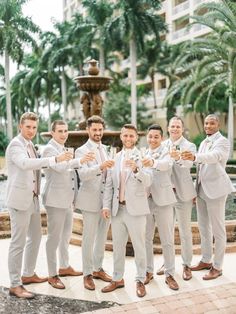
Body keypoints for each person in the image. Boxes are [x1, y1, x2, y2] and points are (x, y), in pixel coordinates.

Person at [6, 112, 71, 299]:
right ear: (20, 126)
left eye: (34, 127)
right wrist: (54, 160)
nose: (32, 131)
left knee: (35, 237)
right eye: (28, 127)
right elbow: (25, 164)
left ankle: (28, 273)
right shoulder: (16, 145)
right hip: (19, 201)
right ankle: (15, 284)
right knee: (18, 243)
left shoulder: (31, 146)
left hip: (32, 200)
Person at [182, 114, 235, 280]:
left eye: (212, 123)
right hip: (201, 190)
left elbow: (214, 158)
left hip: (217, 190)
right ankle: (206, 260)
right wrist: (194, 191)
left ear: (218, 124)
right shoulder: (204, 142)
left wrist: (195, 157)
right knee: (203, 227)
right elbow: (200, 169)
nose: (208, 126)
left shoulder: (223, 142)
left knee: (218, 230)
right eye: (206, 123)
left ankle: (217, 267)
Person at [42, 120, 94, 289]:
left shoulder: (63, 148)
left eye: (65, 131)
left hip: (67, 200)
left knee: (65, 237)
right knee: (53, 239)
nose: (64, 134)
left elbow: (70, 176)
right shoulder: (49, 149)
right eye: (60, 131)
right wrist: (80, 161)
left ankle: (64, 266)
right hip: (55, 201)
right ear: (52, 132)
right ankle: (52, 274)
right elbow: (61, 168)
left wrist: (73, 198)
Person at [101, 124, 152, 298]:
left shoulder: (144, 156)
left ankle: (140, 279)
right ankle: (117, 278)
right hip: (117, 210)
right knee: (117, 246)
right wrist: (106, 205)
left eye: (132, 136)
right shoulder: (115, 157)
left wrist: (137, 170)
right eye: (126, 136)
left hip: (136, 210)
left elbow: (148, 181)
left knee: (139, 246)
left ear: (136, 137)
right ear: (121, 137)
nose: (128, 139)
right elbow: (109, 184)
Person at [75, 115, 114, 290]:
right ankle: (87, 274)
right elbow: (82, 175)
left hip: (105, 202)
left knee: (101, 237)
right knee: (88, 238)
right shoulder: (81, 151)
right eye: (94, 130)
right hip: (90, 200)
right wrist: (101, 167)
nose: (98, 133)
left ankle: (98, 269)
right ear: (88, 130)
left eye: (100, 130)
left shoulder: (106, 149)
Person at [158, 116, 196, 281]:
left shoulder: (190, 146)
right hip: (166, 195)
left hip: (183, 195)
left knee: (185, 231)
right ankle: (168, 263)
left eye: (178, 126)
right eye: (172, 126)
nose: (174, 129)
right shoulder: (162, 145)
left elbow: (188, 165)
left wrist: (178, 157)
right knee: (166, 232)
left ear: (182, 129)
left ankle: (186, 264)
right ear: (168, 128)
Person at [143, 124, 179, 290]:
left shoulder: (167, 151)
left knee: (167, 240)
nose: (152, 139)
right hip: (146, 202)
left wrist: (153, 162)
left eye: (156, 136)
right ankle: (148, 271)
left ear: (161, 138)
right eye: (150, 136)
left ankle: (170, 274)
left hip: (164, 201)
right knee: (146, 239)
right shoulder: (143, 152)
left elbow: (166, 165)